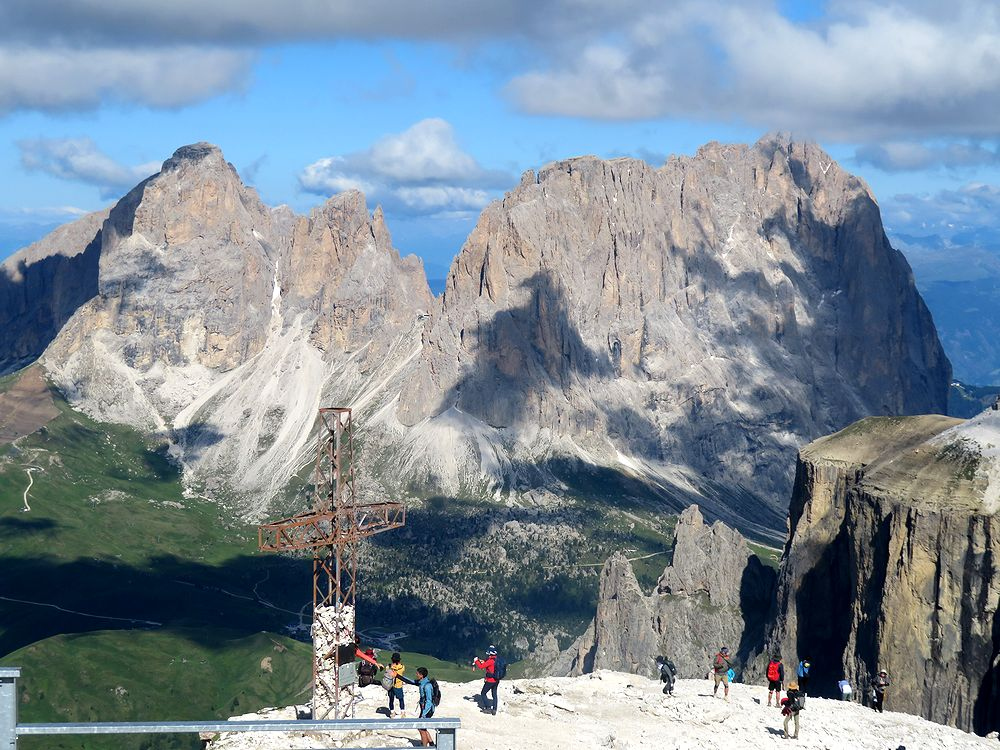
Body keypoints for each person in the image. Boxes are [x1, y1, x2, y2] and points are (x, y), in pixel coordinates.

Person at [473, 646, 500, 714]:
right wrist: (483, 661)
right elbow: (489, 665)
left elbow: (481, 666)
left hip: (490, 680)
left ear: (490, 653)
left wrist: (476, 661)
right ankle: (494, 709)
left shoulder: (490, 661)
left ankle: (488, 708)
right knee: (494, 694)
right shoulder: (496, 659)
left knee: (483, 693)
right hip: (496, 680)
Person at [416, 667, 435, 748]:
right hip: (424, 709)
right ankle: (431, 743)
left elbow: (429, 701)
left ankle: (424, 747)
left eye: (417, 673)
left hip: (427, 710)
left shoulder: (427, 686)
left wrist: (423, 714)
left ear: (421, 675)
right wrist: (398, 676)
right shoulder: (422, 682)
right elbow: (411, 681)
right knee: (422, 727)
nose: (416, 675)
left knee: (421, 728)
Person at [387, 652, 406, 717]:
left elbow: (387, 672)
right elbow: (402, 670)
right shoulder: (402, 667)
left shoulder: (389, 667)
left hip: (390, 685)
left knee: (391, 699)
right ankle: (402, 712)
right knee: (401, 699)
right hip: (398, 685)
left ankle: (392, 712)